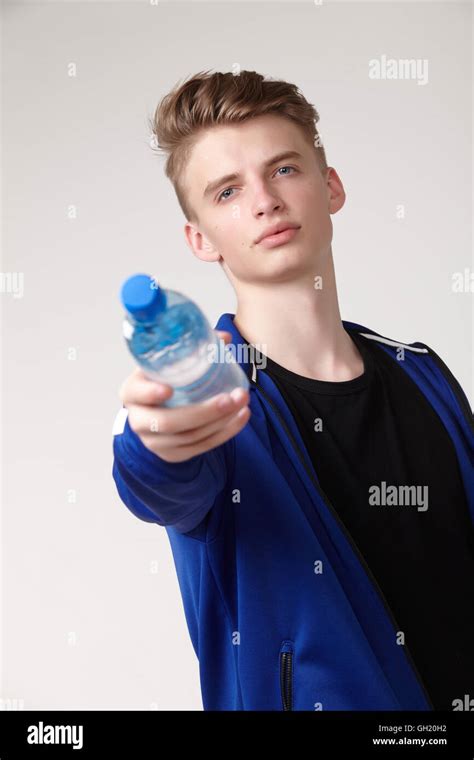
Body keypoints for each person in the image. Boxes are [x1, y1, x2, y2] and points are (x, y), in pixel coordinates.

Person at [112, 69, 474, 711]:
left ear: (330, 186)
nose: (264, 201)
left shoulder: (424, 374)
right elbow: (162, 479)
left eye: (283, 170)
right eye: (226, 192)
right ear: (200, 240)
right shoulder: (213, 403)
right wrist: (154, 441)